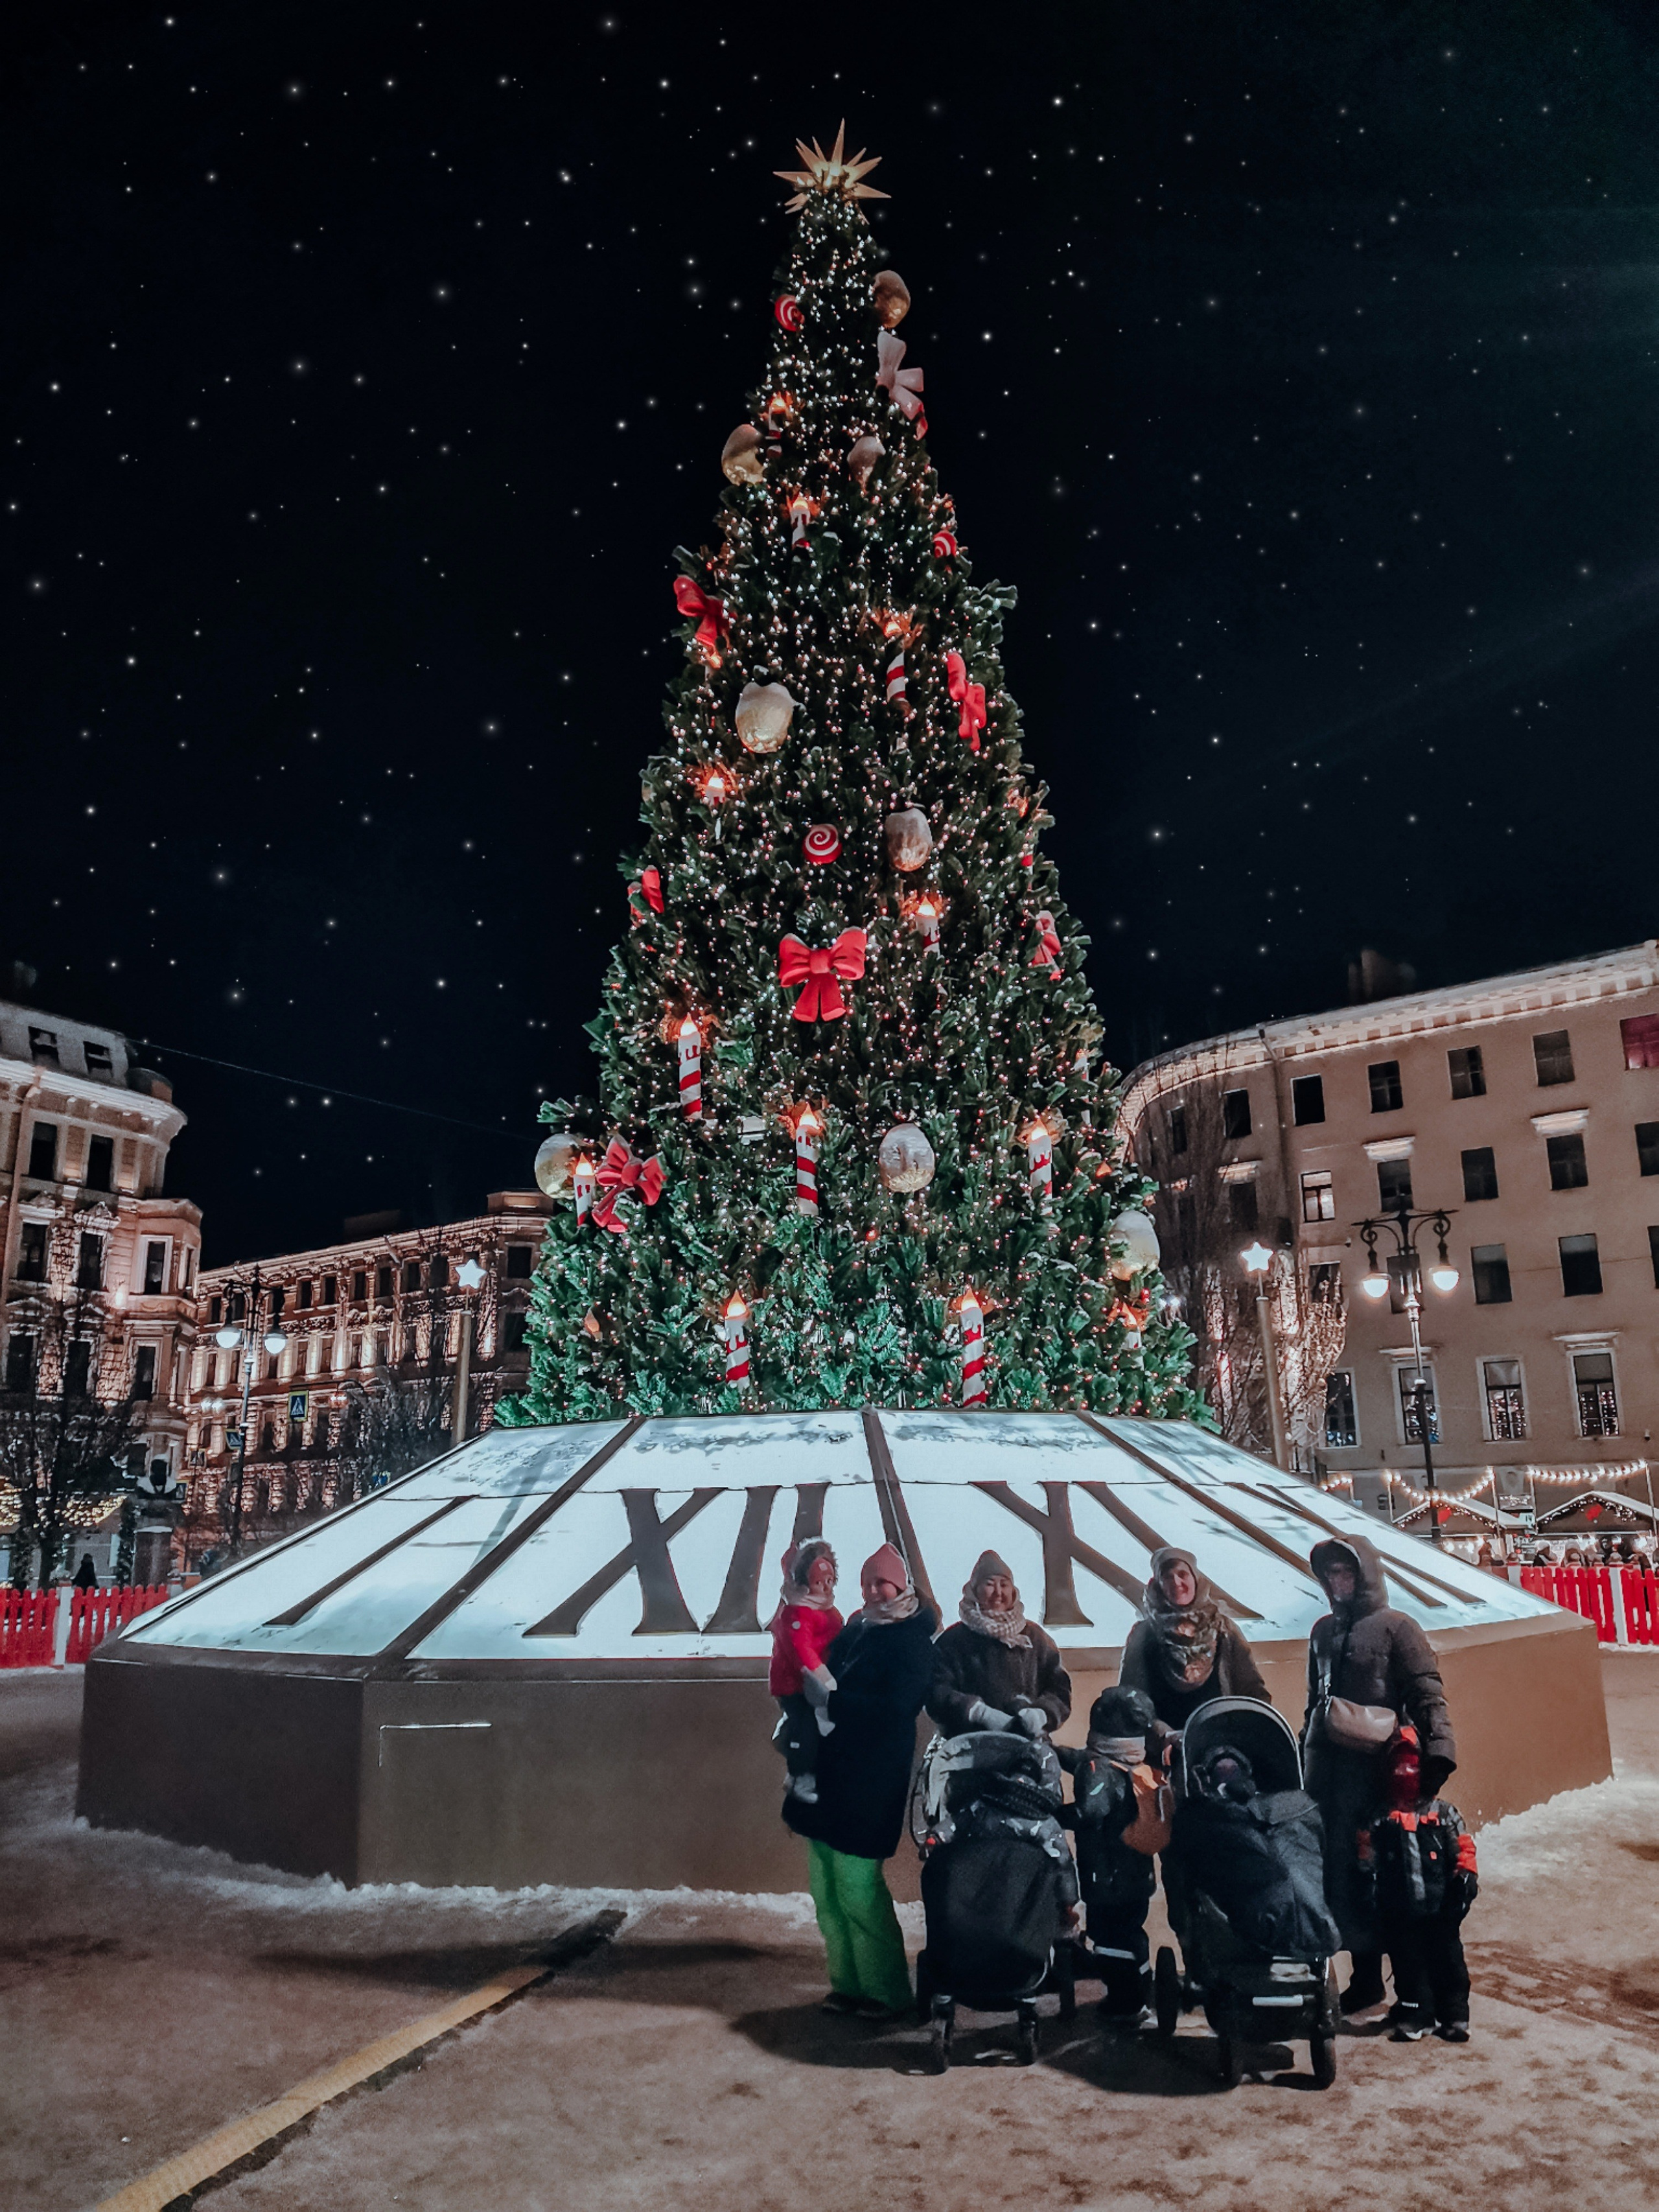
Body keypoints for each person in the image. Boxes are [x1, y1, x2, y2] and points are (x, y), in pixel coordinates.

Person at [783, 1543, 938, 2020]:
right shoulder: (855, 1630)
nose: (874, 1590)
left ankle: (886, 1991)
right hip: (832, 1777)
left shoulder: (911, 1640)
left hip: (871, 1780)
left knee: (858, 1888)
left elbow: (898, 1708)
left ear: (901, 1585)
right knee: (827, 1890)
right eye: (868, 1582)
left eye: (882, 1582)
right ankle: (848, 1983)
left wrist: (833, 1704)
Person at [1305, 1533, 1456, 2020]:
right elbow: (1315, 1701)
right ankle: (1365, 1977)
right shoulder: (1323, 1631)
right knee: (1345, 1877)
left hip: (1383, 1774)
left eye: (1346, 1572)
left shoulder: (1397, 1628)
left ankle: (1415, 1987)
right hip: (1332, 1776)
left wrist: (1436, 1755)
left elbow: (1427, 1692)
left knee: (1394, 1879)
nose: (1338, 1581)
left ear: (1366, 1573)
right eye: (1331, 1574)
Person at [1356, 1724, 1478, 2043]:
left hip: (1442, 1909)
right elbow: (1367, 1857)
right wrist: (1368, 1887)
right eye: (1399, 1765)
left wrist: (1465, 1880)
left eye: (1412, 1765)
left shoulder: (1444, 1814)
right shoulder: (1379, 1817)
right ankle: (1416, 2013)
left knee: (1449, 1961)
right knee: (1408, 1964)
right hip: (1400, 1910)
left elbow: (1464, 1850)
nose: (1405, 1772)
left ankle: (1455, 2015)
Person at [1056, 1684, 1168, 2027]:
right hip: (1137, 1877)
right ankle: (1142, 1994)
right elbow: (1079, 1759)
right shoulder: (1136, 1764)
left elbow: (1091, 1810)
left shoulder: (1098, 1770)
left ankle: (1125, 2002)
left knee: (1108, 1941)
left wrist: (1053, 1816)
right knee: (1133, 1933)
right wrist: (1051, 1749)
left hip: (1106, 1879)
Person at [1119, 1546, 1271, 1741]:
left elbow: (1253, 1691)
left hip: (1222, 1746)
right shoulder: (1143, 1634)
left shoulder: (1223, 1629)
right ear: (1158, 1584)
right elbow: (1130, 1697)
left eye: (1183, 1574)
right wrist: (1161, 1733)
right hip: (1161, 1751)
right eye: (1167, 1577)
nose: (1176, 1582)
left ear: (1195, 1579)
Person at [927, 1548, 1071, 1741]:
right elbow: (936, 1692)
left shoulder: (1035, 1638)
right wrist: (977, 1712)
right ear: (975, 1590)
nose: (998, 1593)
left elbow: (1059, 1689)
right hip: (968, 1749)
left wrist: (1041, 1713)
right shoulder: (952, 1641)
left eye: (1004, 1585)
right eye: (989, 1584)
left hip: (1029, 1747)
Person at [768, 1539, 842, 1806]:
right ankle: (800, 1775)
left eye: (829, 1581)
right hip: (795, 1685)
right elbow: (801, 1651)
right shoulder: (797, 1613)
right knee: (806, 1728)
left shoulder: (828, 1611)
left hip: (822, 1682)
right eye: (818, 1581)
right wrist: (822, 1675)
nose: (824, 1587)